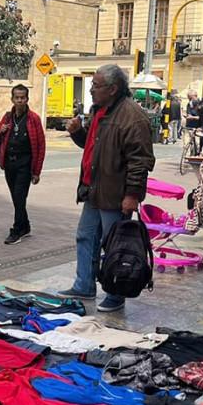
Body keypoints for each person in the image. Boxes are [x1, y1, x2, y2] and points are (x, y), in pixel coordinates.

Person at [57, 64, 155, 313]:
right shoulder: (99, 110)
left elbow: (140, 161)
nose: (91, 90)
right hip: (93, 189)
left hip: (115, 193)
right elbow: (93, 146)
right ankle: (84, 284)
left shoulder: (132, 117)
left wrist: (132, 195)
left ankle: (115, 293)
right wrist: (78, 133)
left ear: (112, 89)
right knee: (86, 236)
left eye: (96, 86)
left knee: (116, 245)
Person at [0, 84, 46, 245]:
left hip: (25, 165)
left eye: (23, 98)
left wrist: (36, 172)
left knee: (19, 196)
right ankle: (26, 225)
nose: (20, 100)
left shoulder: (34, 119)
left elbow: (41, 146)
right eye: (17, 98)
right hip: (9, 164)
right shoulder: (8, 117)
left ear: (27, 99)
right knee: (16, 198)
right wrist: (0, 129)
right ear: (12, 99)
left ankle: (17, 230)